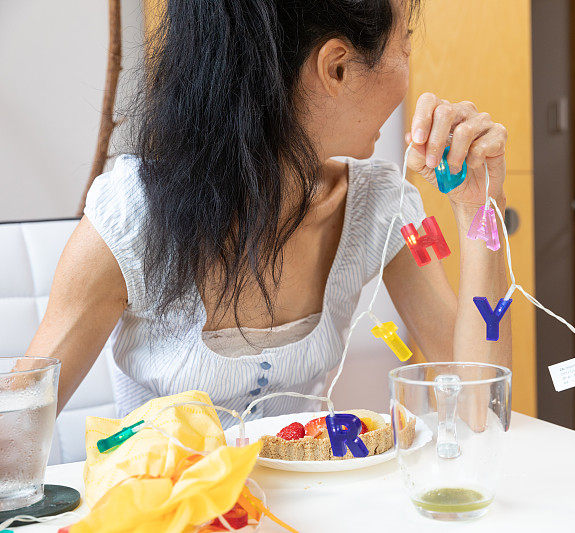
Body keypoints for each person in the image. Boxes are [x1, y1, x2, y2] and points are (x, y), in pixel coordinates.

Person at [26, 0, 511, 426]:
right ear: (336, 67)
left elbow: (482, 405)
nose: (409, 69)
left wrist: (478, 209)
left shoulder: (383, 208)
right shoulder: (133, 217)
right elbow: (15, 433)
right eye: (403, 46)